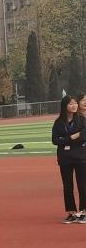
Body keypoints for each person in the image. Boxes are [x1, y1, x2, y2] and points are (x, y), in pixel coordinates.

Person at [52, 94, 86, 223]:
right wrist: (72, 137)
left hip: (81, 157)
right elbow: (55, 140)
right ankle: (71, 212)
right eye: (71, 103)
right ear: (65, 106)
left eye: (75, 103)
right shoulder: (58, 122)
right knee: (67, 186)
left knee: (82, 185)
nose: (74, 106)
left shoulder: (82, 120)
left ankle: (83, 211)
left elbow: (83, 136)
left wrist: (65, 140)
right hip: (65, 158)